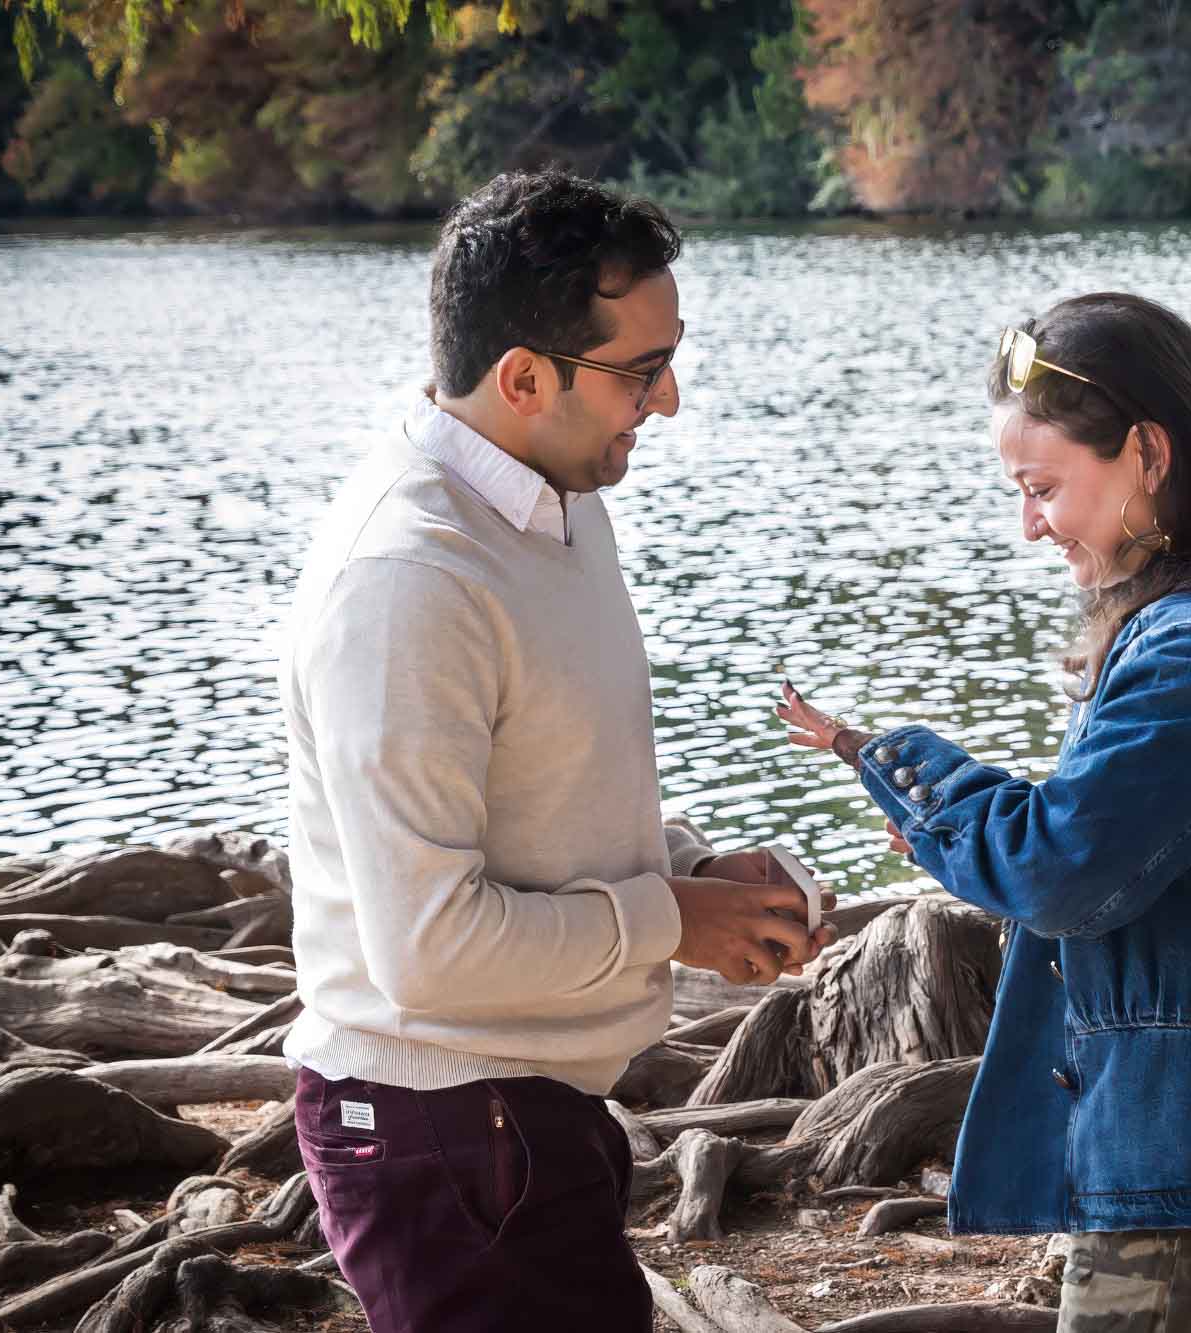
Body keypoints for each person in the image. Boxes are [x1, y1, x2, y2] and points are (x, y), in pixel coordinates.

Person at [279, 168, 834, 1333]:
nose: (669, 399)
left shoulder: (551, 497)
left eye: (669, 356)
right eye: (639, 371)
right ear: (523, 378)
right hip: (438, 1133)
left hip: (519, 1116)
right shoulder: (411, 580)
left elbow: (537, 785)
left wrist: (686, 864)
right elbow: (427, 950)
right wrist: (672, 917)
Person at [776, 292, 1191, 1333]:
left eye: (1041, 486)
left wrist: (918, 784)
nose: (1028, 524)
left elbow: (1060, 866)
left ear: (1147, 452)